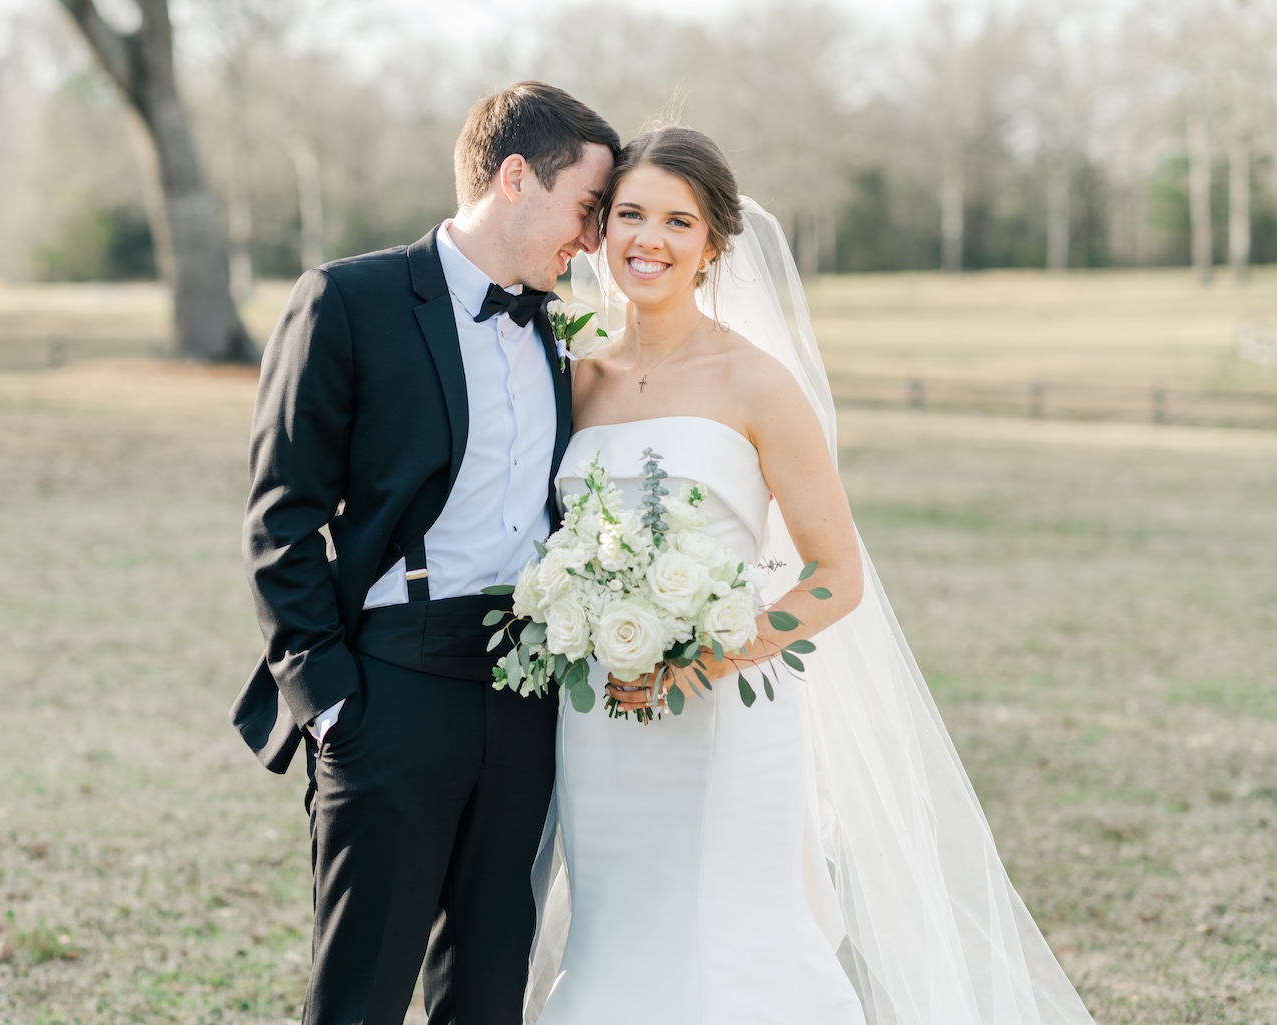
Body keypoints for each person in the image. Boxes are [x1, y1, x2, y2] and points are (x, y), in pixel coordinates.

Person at [527, 126, 1099, 1025]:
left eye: (678, 221)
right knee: (614, 931)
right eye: (630, 213)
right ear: (600, 230)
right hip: (600, 714)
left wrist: (708, 658)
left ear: (713, 243)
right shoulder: (575, 377)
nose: (650, 239)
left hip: (723, 715)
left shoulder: (758, 383)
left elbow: (837, 576)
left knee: (732, 940)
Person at [231, 82, 618, 1025]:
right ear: (516, 177)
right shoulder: (346, 300)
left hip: (526, 696)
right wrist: (330, 705)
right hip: (389, 691)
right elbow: (281, 516)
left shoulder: (567, 330)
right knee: (362, 996)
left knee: (488, 993)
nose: (594, 240)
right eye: (587, 209)